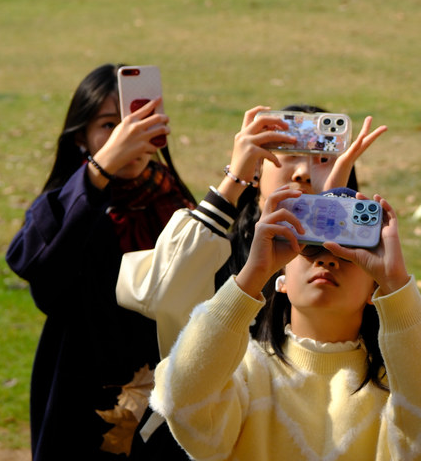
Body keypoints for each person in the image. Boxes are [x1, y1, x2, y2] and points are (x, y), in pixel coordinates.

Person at [5, 63, 196, 461]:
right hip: (80, 391)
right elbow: (33, 265)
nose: (127, 136)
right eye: (110, 125)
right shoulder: (66, 204)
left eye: (138, 122)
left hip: (166, 388)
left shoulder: (173, 201)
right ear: (81, 137)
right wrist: (100, 172)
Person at [150, 185, 421, 461]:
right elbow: (180, 401)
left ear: (374, 290)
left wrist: (396, 286)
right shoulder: (244, 372)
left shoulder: (400, 385)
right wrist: (251, 276)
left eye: (349, 250)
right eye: (310, 246)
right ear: (282, 274)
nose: (327, 259)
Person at [117, 105, 387, 352]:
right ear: (257, 169)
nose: (303, 172)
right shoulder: (214, 252)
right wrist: (234, 181)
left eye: (324, 160)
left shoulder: (357, 264)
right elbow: (163, 292)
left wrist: (330, 221)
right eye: (291, 154)